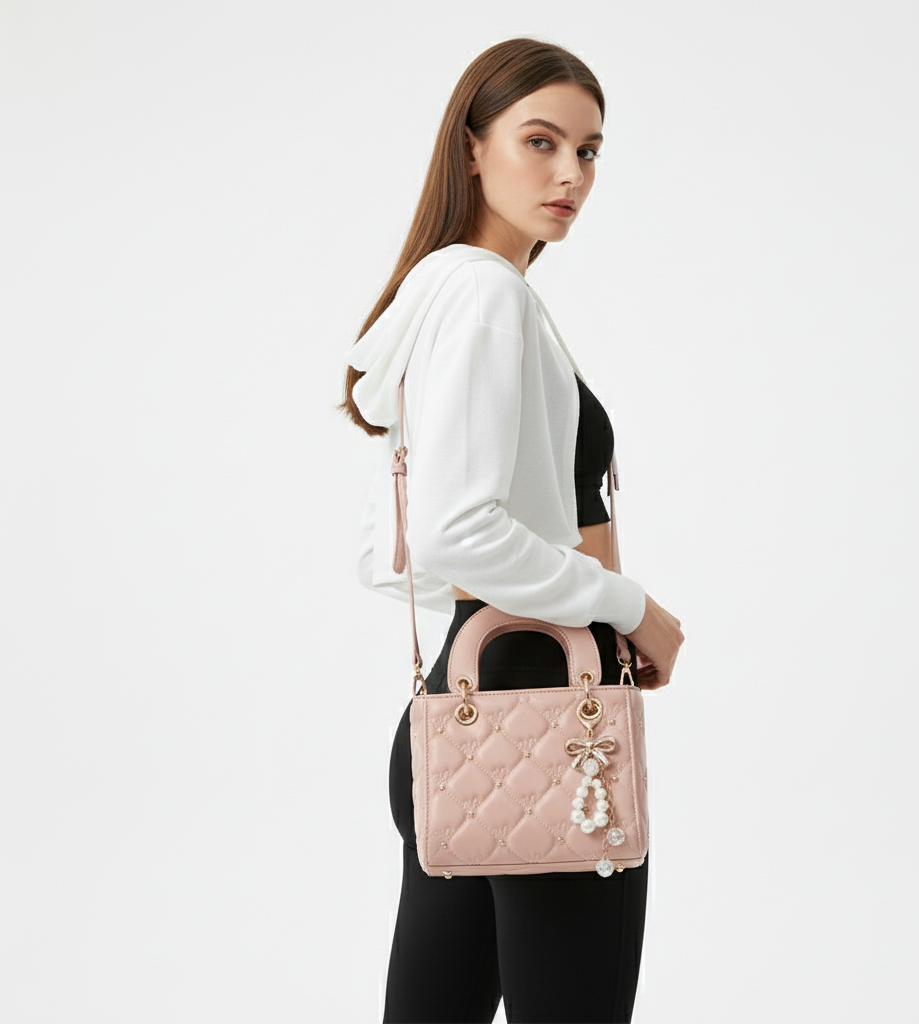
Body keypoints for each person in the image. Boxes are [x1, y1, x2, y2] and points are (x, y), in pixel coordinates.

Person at [339, 37, 684, 1024]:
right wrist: (630, 608)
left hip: (456, 704)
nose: (570, 173)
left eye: (589, 151)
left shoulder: (445, 296)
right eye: (541, 141)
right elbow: (452, 533)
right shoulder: (486, 295)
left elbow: (391, 550)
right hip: (546, 721)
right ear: (473, 146)